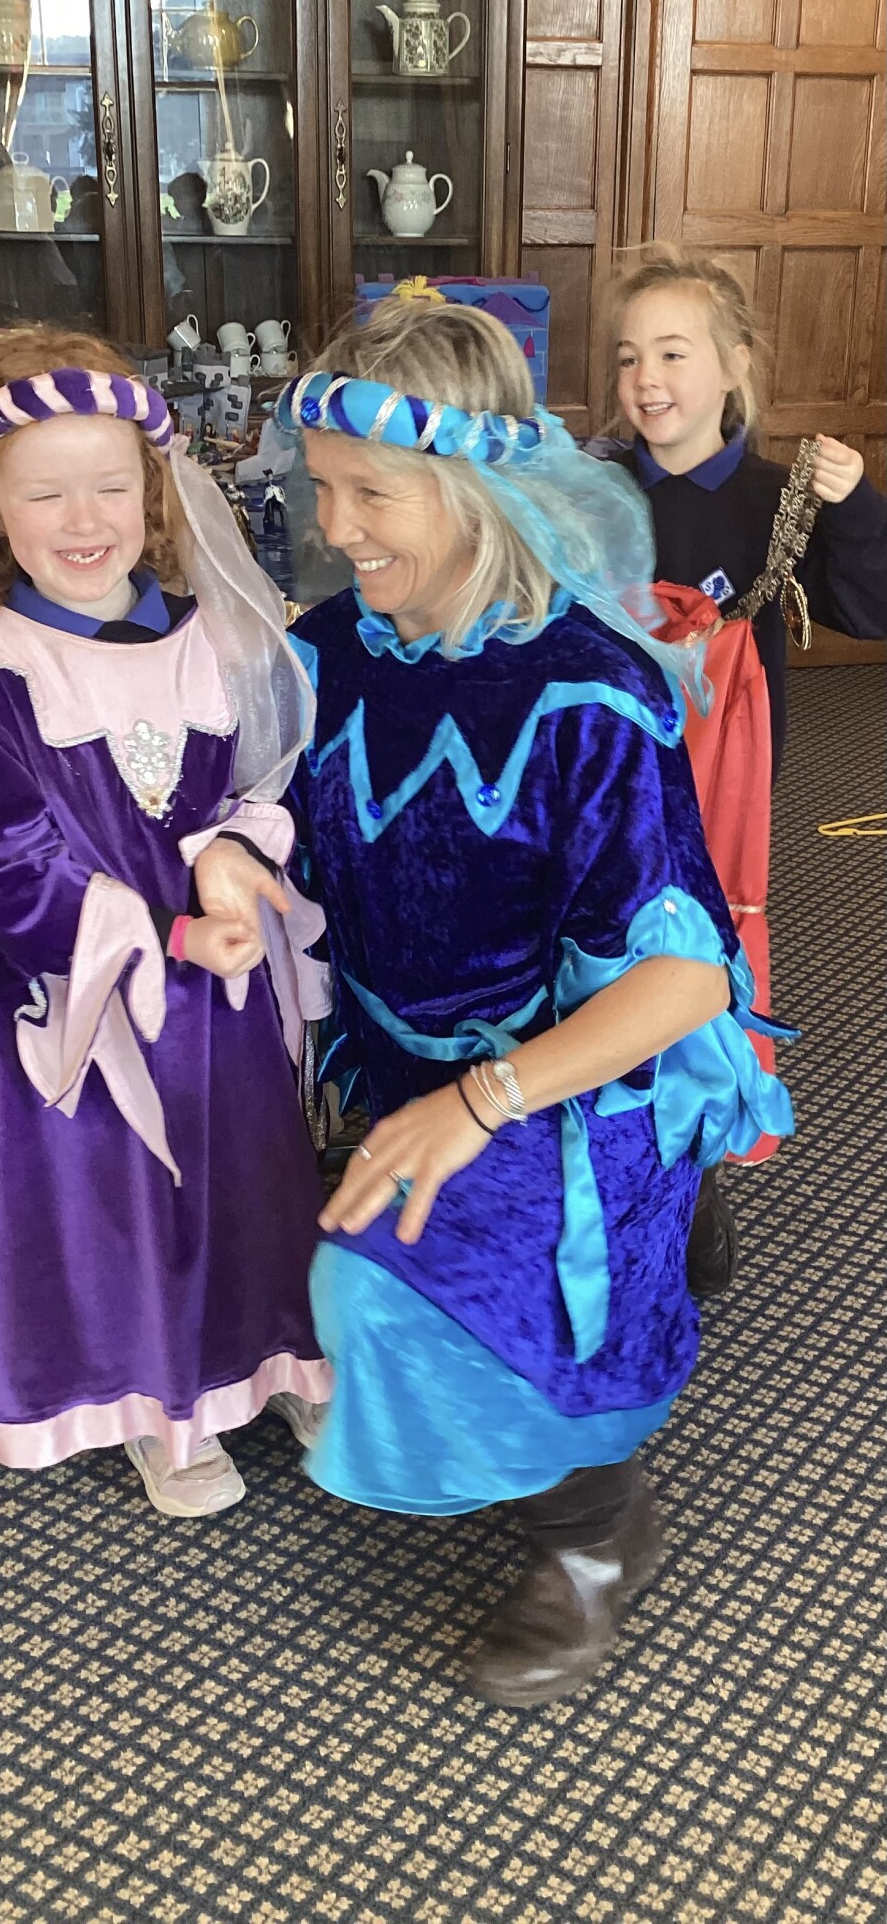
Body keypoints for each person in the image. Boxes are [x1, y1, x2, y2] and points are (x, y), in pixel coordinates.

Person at [209, 299, 792, 1706]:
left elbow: (684, 977)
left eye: (372, 495)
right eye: (322, 488)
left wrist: (482, 1103)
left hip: (572, 1078)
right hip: (395, 1057)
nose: (334, 527)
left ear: (476, 490)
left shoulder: (584, 692)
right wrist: (237, 861)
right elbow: (286, 816)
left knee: (378, 1285)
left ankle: (596, 1530)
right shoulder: (330, 650)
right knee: (348, 1251)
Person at [0, 328, 331, 1517]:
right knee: (117, 1199)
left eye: (109, 487)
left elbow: (264, 780)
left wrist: (235, 853)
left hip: (222, 990)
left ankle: (271, 1356)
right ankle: (155, 1400)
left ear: (154, 493)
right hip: (81, 1003)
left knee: (251, 1173)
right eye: (44, 493)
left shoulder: (212, 637)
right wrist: (168, 935)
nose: (83, 520)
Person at [603, 245, 886, 1289]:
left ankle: (693, 1175)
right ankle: (611, 1166)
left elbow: (869, 610)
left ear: (733, 367)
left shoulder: (779, 498)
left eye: (672, 352)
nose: (645, 378)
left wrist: (854, 506)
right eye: (627, 355)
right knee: (600, 964)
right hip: (606, 781)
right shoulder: (593, 491)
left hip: (721, 793)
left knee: (701, 973)